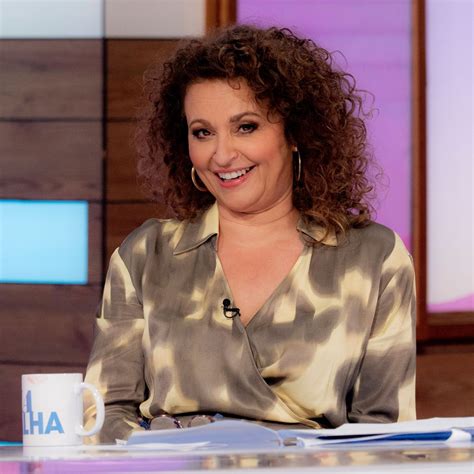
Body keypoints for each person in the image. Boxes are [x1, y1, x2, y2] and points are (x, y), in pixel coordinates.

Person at [84, 24, 416, 443]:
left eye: (246, 127)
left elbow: (385, 436)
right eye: (202, 132)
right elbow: (103, 413)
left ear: (294, 133)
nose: (222, 155)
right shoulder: (146, 255)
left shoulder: (374, 257)